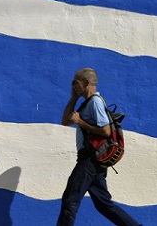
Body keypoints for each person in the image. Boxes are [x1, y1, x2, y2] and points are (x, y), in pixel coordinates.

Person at [57, 68, 141, 226]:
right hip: (93, 161)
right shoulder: (86, 103)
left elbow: (106, 130)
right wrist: (73, 98)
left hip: (89, 159)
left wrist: (81, 122)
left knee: (70, 200)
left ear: (86, 83)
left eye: (76, 82)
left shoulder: (95, 102)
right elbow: (65, 121)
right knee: (104, 205)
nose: (73, 85)